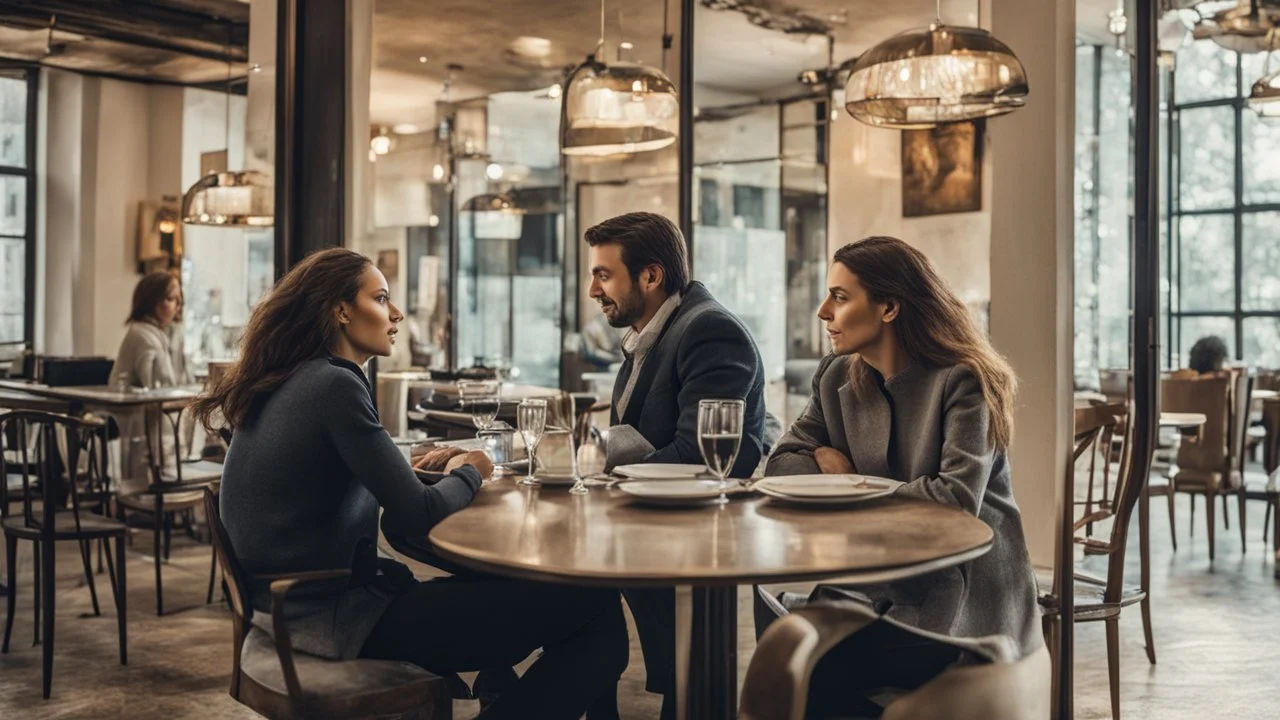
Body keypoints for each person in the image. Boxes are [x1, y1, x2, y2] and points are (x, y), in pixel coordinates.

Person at [192, 248, 627, 719]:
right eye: (380, 298)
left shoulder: (291, 377)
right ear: (341, 311)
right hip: (336, 620)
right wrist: (471, 469)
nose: (396, 313)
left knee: (579, 609)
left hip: (290, 612)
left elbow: (339, 468)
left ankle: (499, 687)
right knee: (596, 610)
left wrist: (416, 463)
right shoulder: (334, 385)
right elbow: (419, 514)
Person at [760, 236, 1042, 717]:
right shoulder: (836, 377)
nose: (823, 311)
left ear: (889, 307)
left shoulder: (963, 380)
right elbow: (783, 462)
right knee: (779, 630)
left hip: (962, 595)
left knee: (813, 659)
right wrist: (874, 489)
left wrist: (851, 482)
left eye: (841, 297)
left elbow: (954, 501)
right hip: (880, 583)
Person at [584, 211, 767, 717]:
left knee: (576, 604)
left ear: (651, 275)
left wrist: (605, 481)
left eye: (603, 274)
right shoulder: (649, 333)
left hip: (697, 538)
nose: (592, 289)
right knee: (577, 607)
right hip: (653, 527)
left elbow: (699, 458)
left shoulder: (709, 330)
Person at [110, 271, 193, 481]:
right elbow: (162, 385)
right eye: (170, 298)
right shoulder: (144, 336)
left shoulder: (155, 333)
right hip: (140, 429)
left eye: (178, 300)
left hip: (147, 424)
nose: (177, 306)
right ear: (152, 301)